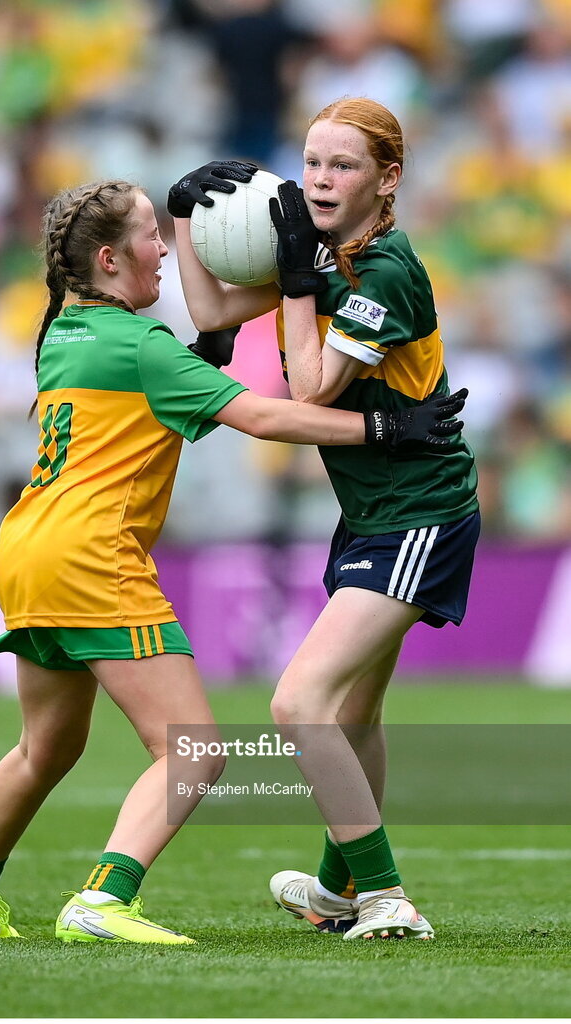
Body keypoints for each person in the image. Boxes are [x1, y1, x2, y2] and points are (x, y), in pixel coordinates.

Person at [0, 177, 464, 946]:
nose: (165, 249)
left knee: (45, 747)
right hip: (93, 555)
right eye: (151, 236)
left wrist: (205, 345)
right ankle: (105, 899)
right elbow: (264, 416)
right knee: (193, 750)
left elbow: (149, 408)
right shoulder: (139, 345)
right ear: (108, 259)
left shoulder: (66, 331)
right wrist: (386, 426)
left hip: (28, 548)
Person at [170, 96, 479, 940]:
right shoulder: (330, 250)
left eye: (341, 165)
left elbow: (308, 389)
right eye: (310, 162)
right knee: (351, 716)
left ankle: (385, 899)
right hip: (373, 513)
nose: (318, 178)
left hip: (421, 514)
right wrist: (180, 217)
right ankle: (341, 893)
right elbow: (211, 315)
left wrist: (299, 279)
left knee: (298, 702)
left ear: (388, 181)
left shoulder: (379, 269)